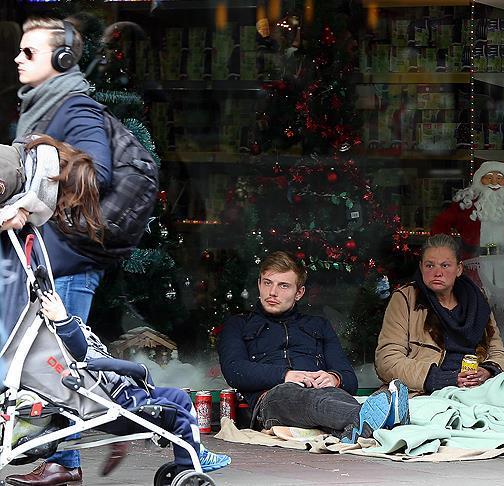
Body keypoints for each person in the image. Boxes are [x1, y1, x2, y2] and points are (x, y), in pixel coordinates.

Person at [8, 17, 112, 485]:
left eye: (29, 51)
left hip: (68, 254)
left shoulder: (76, 108)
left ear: (62, 58)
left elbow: (97, 172)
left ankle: (65, 463)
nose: (18, 58)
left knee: (63, 362)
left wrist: (31, 198)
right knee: (45, 360)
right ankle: (55, 457)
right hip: (46, 255)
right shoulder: (41, 107)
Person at [5, 290, 231, 486]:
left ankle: (195, 452)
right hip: (119, 403)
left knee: (179, 396)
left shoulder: (47, 349)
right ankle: (189, 465)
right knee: (178, 413)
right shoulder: (68, 346)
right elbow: (79, 349)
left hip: (118, 394)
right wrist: (62, 319)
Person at [217, 251, 409, 444]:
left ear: (299, 293)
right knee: (293, 395)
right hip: (273, 399)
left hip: (322, 394)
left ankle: (358, 428)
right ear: (259, 284)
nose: (272, 292)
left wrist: (334, 378)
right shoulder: (239, 324)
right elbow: (234, 370)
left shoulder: (318, 325)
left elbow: (349, 379)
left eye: (283, 285)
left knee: (334, 395)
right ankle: (375, 421)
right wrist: (285, 375)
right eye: (267, 283)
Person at [375, 233, 504, 394]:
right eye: (429, 266)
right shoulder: (406, 298)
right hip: (427, 393)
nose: (437, 273)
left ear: (459, 269)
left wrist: (488, 371)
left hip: (479, 390)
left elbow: (497, 351)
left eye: (445, 265)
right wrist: (441, 379)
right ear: (421, 267)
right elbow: (387, 361)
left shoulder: (476, 300)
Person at [1, 135, 102, 238]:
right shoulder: (10, 175)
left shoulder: (24, 167)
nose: (62, 208)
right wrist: (5, 222)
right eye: (64, 203)